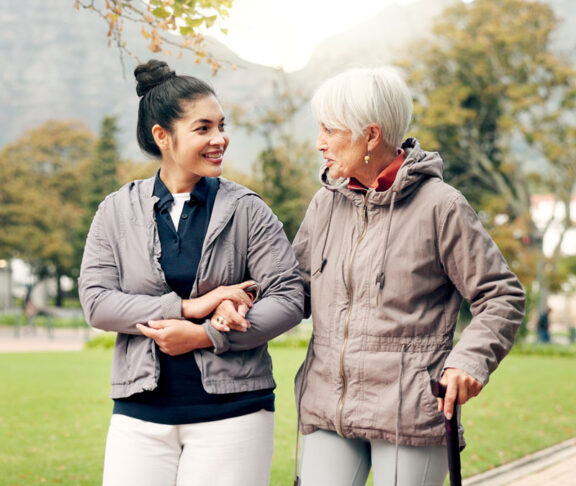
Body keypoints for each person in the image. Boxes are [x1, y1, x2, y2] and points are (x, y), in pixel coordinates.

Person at [292, 67, 526, 486]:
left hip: (409, 412)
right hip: (328, 404)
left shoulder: (442, 206)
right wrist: (244, 297)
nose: (319, 143)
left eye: (330, 129)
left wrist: (469, 361)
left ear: (371, 135)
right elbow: (295, 288)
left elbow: (501, 295)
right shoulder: (323, 205)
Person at [78, 59, 303, 486]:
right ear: (163, 136)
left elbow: (289, 297)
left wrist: (207, 335)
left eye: (221, 125)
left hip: (234, 414)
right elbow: (97, 303)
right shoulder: (115, 211)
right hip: (139, 416)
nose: (220, 139)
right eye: (203, 129)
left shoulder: (247, 209)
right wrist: (189, 306)